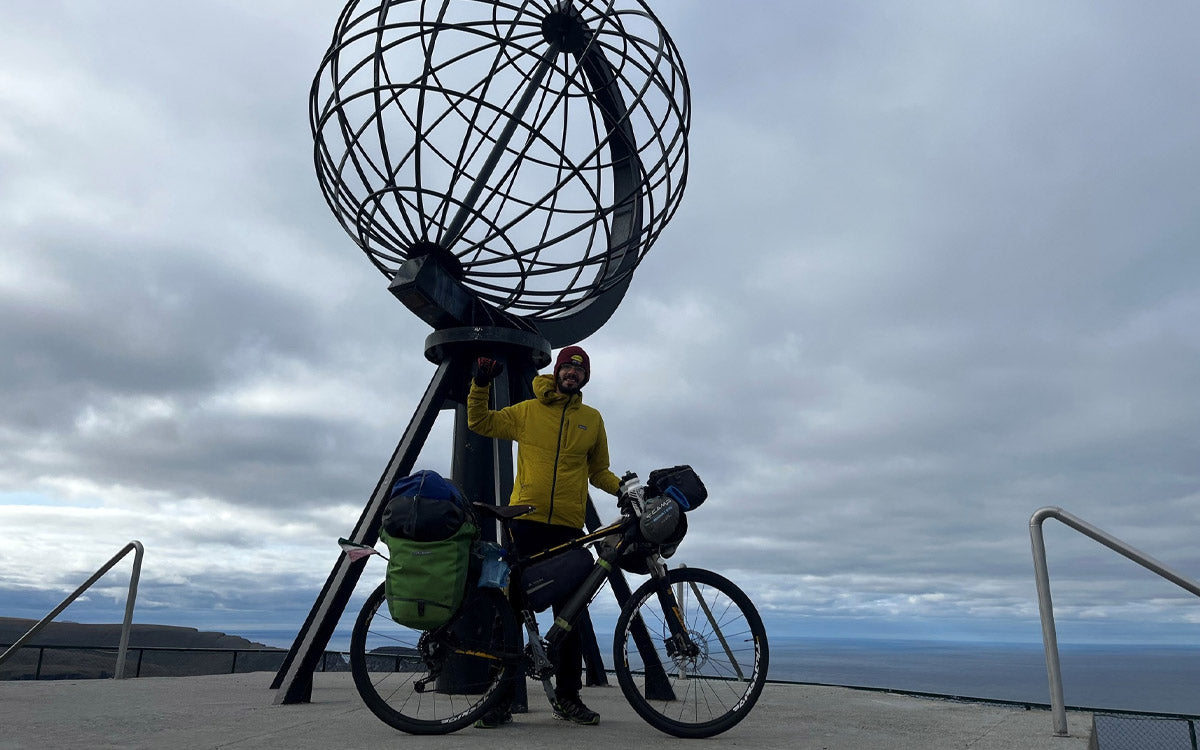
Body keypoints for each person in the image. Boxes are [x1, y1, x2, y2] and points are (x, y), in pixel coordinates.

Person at [467, 345, 620, 728]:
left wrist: (623, 489)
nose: (573, 374)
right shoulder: (528, 411)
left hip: (569, 528)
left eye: (580, 371)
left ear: (585, 378)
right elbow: (481, 422)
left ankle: (568, 699)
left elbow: (599, 471)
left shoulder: (592, 419)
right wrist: (481, 383)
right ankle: (499, 701)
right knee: (511, 611)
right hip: (526, 523)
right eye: (568, 367)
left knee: (569, 616)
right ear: (557, 370)